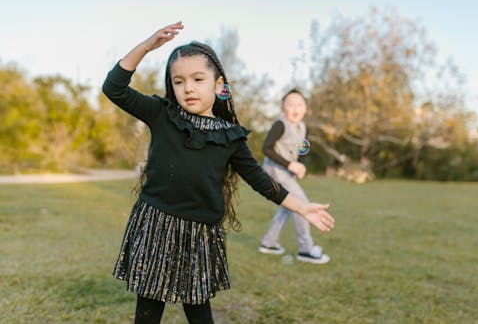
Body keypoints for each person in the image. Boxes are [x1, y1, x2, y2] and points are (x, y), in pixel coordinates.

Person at [102, 22, 335, 324]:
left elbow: (262, 181)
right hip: (156, 224)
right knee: (147, 311)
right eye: (179, 81)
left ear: (218, 85)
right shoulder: (161, 114)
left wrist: (302, 207)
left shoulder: (231, 136)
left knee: (199, 312)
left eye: (198, 79)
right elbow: (114, 89)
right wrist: (146, 47)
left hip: (200, 234)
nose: (188, 87)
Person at [258, 89, 330, 264]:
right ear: (283, 108)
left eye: (299, 104)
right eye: (290, 104)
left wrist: (302, 165)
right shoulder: (280, 125)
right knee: (302, 205)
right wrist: (290, 164)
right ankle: (305, 249)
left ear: (305, 108)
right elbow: (266, 148)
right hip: (275, 171)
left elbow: (302, 149)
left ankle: (269, 243)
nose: (295, 108)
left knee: (287, 207)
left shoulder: (302, 127)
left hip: (287, 173)